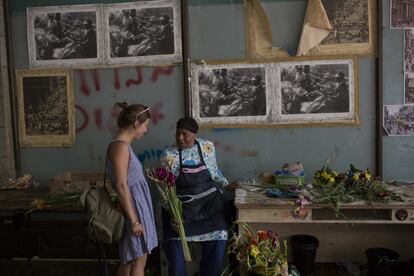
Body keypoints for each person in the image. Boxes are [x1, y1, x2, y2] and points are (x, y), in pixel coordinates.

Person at [160, 117, 239, 276]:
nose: (180, 138)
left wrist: (225, 184)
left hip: (209, 207)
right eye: (177, 134)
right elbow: (164, 190)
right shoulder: (169, 155)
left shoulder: (206, 147)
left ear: (194, 134)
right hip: (182, 213)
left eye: (185, 134)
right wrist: (172, 213)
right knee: (175, 252)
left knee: (220, 236)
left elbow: (214, 171)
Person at [107, 102, 158, 276]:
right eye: (145, 126)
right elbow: (121, 185)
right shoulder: (121, 147)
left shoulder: (122, 145)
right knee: (138, 261)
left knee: (129, 260)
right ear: (136, 123)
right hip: (134, 209)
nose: (146, 130)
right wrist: (134, 220)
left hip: (134, 207)